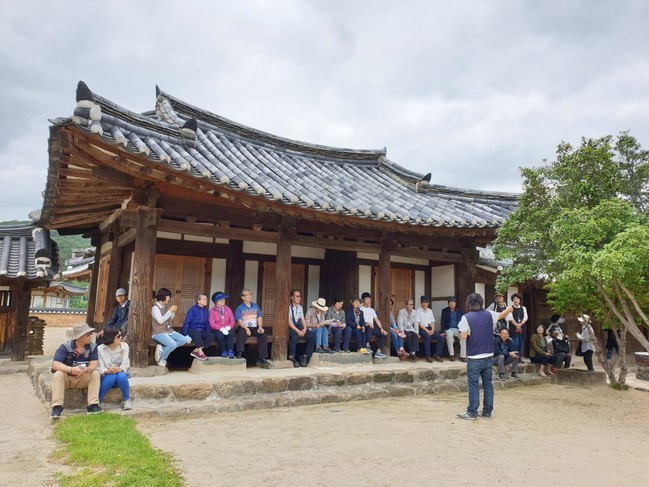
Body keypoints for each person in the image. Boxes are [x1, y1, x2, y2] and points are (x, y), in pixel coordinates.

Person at [457, 293, 513, 420]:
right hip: (488, 355)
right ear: (481, 302)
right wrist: (509, 309)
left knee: (473, 384)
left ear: (468, 303)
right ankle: (487, 411)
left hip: (474, 356)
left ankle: (472, 412)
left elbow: (463, 336)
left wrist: (464, 331)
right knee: (488, 384)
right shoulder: (489, 314)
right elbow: (501, 315)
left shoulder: (466, 317)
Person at [50, 323, 103, 419]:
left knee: (95, 373)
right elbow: (56, 364)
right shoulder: (65, 346)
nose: (90, 336)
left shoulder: (92, 347)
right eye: (88, 334)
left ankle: (93, 405)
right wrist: (71, 370)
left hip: (83, 378)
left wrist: (87, 369)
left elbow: (94, 364)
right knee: (58, 374)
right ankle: (57, 407)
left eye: (91, 333)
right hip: (68, 379)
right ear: (79, 336)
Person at [152, 288, 188, 367]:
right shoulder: (155, 308)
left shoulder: (164, 307)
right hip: (158, 332)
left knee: (183, 340)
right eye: (168, 296)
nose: (169, 298)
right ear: (163, 296)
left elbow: (169, 319)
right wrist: (169, 311)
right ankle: (161, 359)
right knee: (173, 344)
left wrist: (172, 312)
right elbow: (160, 321)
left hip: (168, 330)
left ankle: (163, 349)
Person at [234, 289, 270, 369]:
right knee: (241, 333)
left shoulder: (256, 306)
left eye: (250, 294)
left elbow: (259, 317)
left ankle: (262, 358)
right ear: (243, 297)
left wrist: (260, 327)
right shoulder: (239, 308)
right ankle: (239, 353)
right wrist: (246, 329)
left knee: (263, 336)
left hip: (254, 327)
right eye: (247, 295)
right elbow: (239, 321)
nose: (250, 296)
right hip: (244, 327)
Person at [97, 327, 131, 410]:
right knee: (111, 376)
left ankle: (126, 400)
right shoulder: (100, 349)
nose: (121, 338)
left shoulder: (124, 346)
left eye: (121, 335)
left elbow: (125, 363)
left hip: (120, 376)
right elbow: (100, 368)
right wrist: (108, 371)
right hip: (106, 377)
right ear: (110, 337)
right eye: (118, 336)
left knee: (121, 376)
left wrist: (119, 369)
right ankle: (99, 400)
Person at [288, 289, 316, 367]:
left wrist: (305, 328)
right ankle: (292, 356)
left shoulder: (300, 307)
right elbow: (289, 322)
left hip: (300, 326)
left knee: (312, 336)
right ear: (292, 297)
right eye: (297, 296)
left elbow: (303, 319)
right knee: (294, 337)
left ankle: (305, 356)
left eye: (299, 296)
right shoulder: (288, 307)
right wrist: (298, 331)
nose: (299, 298)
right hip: (291, 327)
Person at [182, 293, 215, 361]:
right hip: (192, 329)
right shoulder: (193, 310)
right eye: (204, 299)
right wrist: (185, 334)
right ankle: (200, 353)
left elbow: (207, 323)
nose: (206, 300)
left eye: (206, 299)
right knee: (197, 333)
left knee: (211, 335)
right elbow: (187, 322)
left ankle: (196, 350)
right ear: (198, 301)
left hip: (201, 330)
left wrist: (209, 332)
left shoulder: (205, 310)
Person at [359, 292, 388, 359]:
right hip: (364, 327)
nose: (369, 300)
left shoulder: (372, 310)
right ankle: (367, 346)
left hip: (372, 327)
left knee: (384, 334)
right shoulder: (360, 309)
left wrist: (381, 328)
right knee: (369, 327)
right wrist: (367, 323)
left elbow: (376, 320)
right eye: (367, 299)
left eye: (370, 299)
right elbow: (359, 320)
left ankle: (379, 352)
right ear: (363, 300)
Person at [417, 296, 444, 362]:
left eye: (426, 302)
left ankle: (437, 354)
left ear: (428, 303)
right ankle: (428, 355)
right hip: (422, 329)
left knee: (441, 338)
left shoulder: (430, 311)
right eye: (423, 302)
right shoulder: (418, 311)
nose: (425, 303)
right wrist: (427, 331)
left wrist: (432, 329)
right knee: (427, 336)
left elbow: (432, 321)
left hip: (429, 328)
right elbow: (419, 323)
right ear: (420, 303)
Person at [209, 291, 236, 358]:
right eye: (221, 299)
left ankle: (230, 350)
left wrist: (229, 327)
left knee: (231, 333)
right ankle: (223, 350)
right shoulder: (212, 311)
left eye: (223, 299)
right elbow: (212, 324)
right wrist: (221, 328)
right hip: (217, 329)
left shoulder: (228, 309)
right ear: (216, 301)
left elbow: (232, 321)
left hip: (227, 327)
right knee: (220, 335)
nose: (223, 300)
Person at [441, 296, 466, 362]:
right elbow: (442, 321)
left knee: (463, 338)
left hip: (458, 329)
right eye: (450, 302)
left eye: (453, 302)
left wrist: (463, 329)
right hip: (449, 329)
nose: (452, 304)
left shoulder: (459, 311)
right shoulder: (444, 311)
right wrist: (443, 331)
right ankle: (451, 355)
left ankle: (463, 356)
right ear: (448, 303)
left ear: (455, 303)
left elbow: (463, 320)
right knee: (449, 337)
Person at [506, 293, 528, 363]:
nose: (515, 300)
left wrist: (520, 324)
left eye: (517, 299)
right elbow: (510, 317)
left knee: (521, 343)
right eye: (514, 299)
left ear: (520, 300)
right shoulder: (510, 308)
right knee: (515, 343)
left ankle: (519, 357)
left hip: (522, 327)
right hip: (513, 328)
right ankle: (514, 358)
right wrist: (516, 325)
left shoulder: (523, 308)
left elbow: (525, 317)